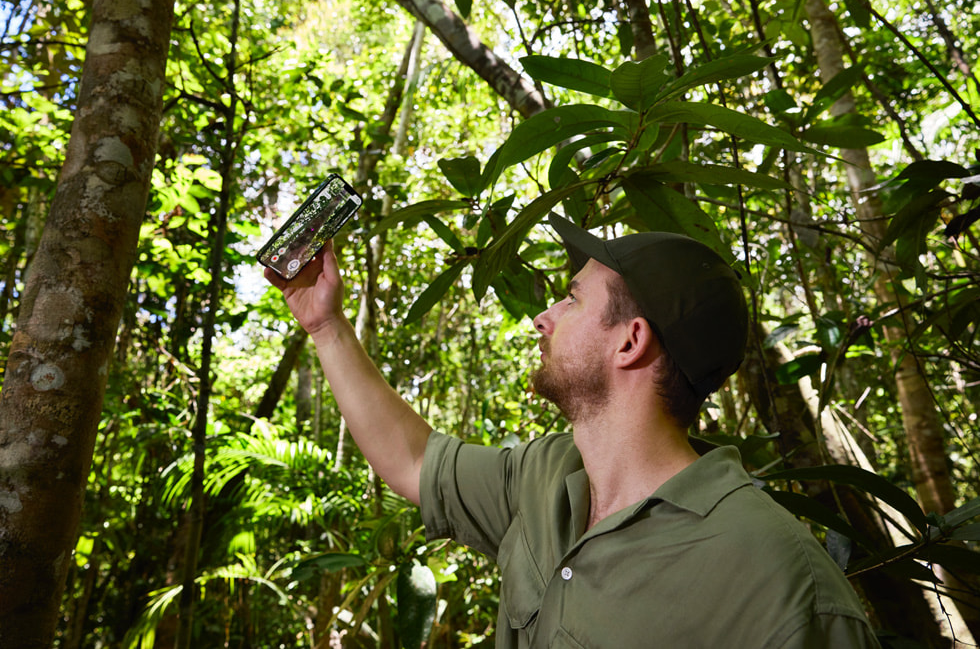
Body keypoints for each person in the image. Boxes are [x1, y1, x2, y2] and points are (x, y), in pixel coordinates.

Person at [264, 213, 881, 648]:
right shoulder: (543, 476)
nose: (541, 317)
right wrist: (327, 327)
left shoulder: (781, 582)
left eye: (571, 299)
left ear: (631, 341)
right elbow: (413, 463)